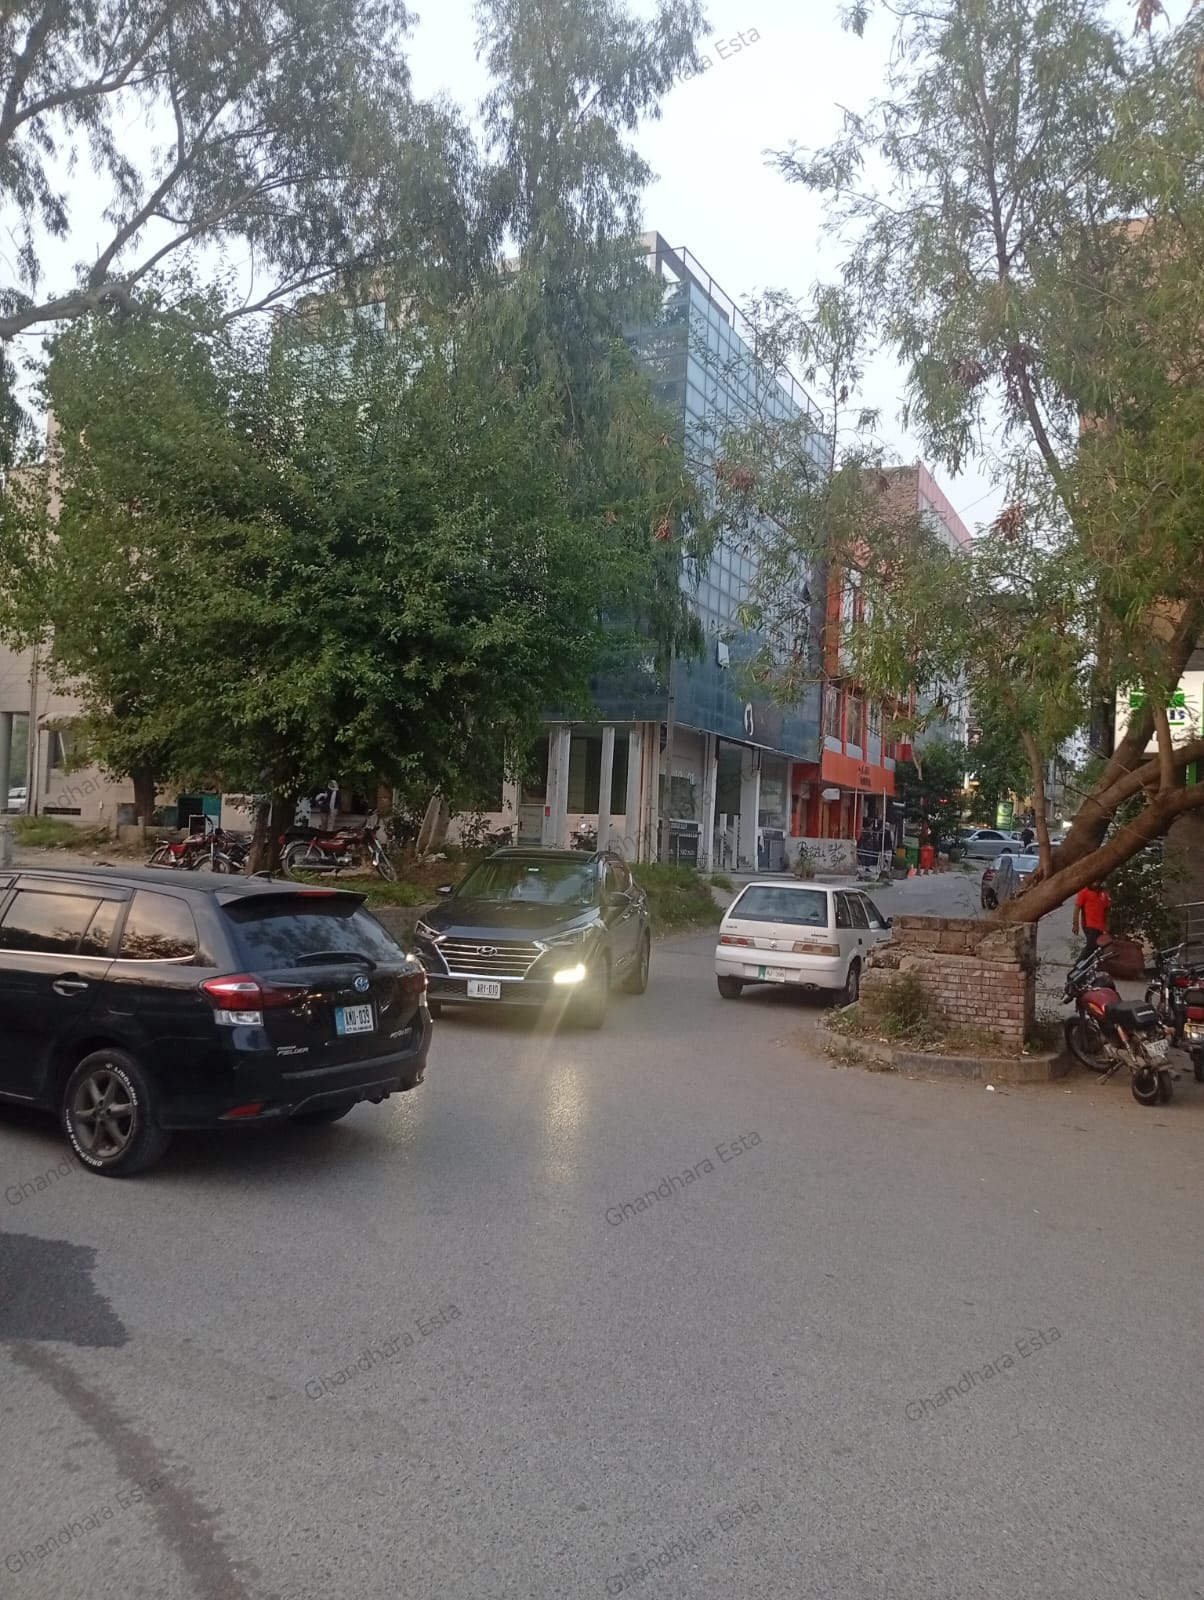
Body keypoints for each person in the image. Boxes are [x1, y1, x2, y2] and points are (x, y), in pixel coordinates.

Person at [1072, 879, 1111, 953]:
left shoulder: (1104, 892)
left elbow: (1107, 910)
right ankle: (1081, 961)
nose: (1096, 883)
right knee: (1091, 945)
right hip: (1089, 925)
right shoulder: (1084, 892)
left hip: (1101, 927)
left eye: (1098, 880)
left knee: (1099, 948)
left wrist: (1107, 925)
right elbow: (1077, 908)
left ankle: (1093, 960)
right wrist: (1075, 924)